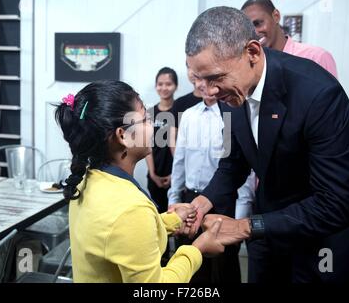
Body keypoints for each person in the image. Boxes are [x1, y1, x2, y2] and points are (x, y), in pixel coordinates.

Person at [184, 6, 349, 283]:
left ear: (252, 52)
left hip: (326, 238)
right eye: (199, 79)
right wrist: (202, 203)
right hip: (270, 228)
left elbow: (335, 203)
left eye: (215, 77)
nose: (209, 91)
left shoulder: (319, 94)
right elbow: (234, 162)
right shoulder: (230, 96)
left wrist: (245, 226)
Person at [55, 80, 226, 282]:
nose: (152, 124)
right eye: (145, 119)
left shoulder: (87, 179)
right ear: (123, 136)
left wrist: (173, 220)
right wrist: (197, 249)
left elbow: (121, 236)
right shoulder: (130, 209)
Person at [168, 77, 255, 283]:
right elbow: (179, 161)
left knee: (225, 267)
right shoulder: (189, 115)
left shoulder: (232, 115)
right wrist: (173, 199)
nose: (204, 86)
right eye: (199, 80)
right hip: (191, 201)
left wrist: (240, 217)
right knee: (192, 266)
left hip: (223, 202)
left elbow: (238, 169)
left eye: (210, 80)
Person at [241, 0, 338, 78]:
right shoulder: (251, 64)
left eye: (258, 23)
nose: (254, 33)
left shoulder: (316, 57)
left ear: (276, 16)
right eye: (248, 29)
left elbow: (333, 98)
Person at [146, 67, 178, 214]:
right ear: (155, 86)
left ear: (175, 86)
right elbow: (147, 145)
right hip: (155, 174)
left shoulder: (181, 111)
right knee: (158, 217)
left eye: (168, 84)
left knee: (176, 218)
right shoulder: (149, 114)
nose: (164, 88)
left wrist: (176, 174)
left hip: (177, 175)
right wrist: (152, 174)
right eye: (160, 84)